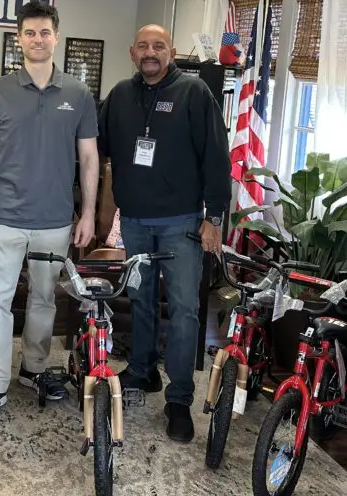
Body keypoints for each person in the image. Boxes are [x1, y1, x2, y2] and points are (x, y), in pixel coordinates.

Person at [0, 1, 99, 422]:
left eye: (45, 32)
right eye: (30, 33)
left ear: (56, 36)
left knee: (44, 300)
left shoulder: (78, 94)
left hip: (56, 220)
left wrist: (89, 213)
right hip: (3, 216)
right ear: (18, 39)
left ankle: (34, 369)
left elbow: (90, 159)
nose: (38, 40)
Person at [97, 24, 229, 443]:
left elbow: (216, 157)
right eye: (143, 46)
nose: (150, 52)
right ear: (132, 52)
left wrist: (215, 218)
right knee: (140, 298)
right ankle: (142, 371)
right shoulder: (119, 95)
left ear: (171, 51)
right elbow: (97, 148)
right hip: (134, 220)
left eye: (159, 46)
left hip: (181, 223)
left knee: (185, 309)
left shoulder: (194, 93)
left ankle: (179, 399)